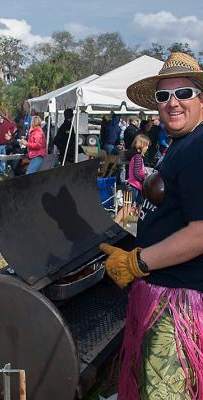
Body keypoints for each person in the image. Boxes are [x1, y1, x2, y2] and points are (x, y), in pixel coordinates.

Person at [100, 51, 203, 399]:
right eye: (163, 96)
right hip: (160, 293)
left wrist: (136, 262)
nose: (172, 103)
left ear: (201, 98)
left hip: (179, 304)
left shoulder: (199, 146)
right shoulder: (179, 144)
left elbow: (201, 232)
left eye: (184, 93)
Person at [127, 134, 150, 208]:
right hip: (135, 185)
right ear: (141, 146)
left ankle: (139, 218)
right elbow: (136, 173)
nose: (147, 148)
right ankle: (117, 219)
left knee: (141, 204)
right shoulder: (138, 157)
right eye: (146, 146)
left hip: (138, 186)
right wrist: (144, 180)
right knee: (127, 206)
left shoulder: (137, 156)